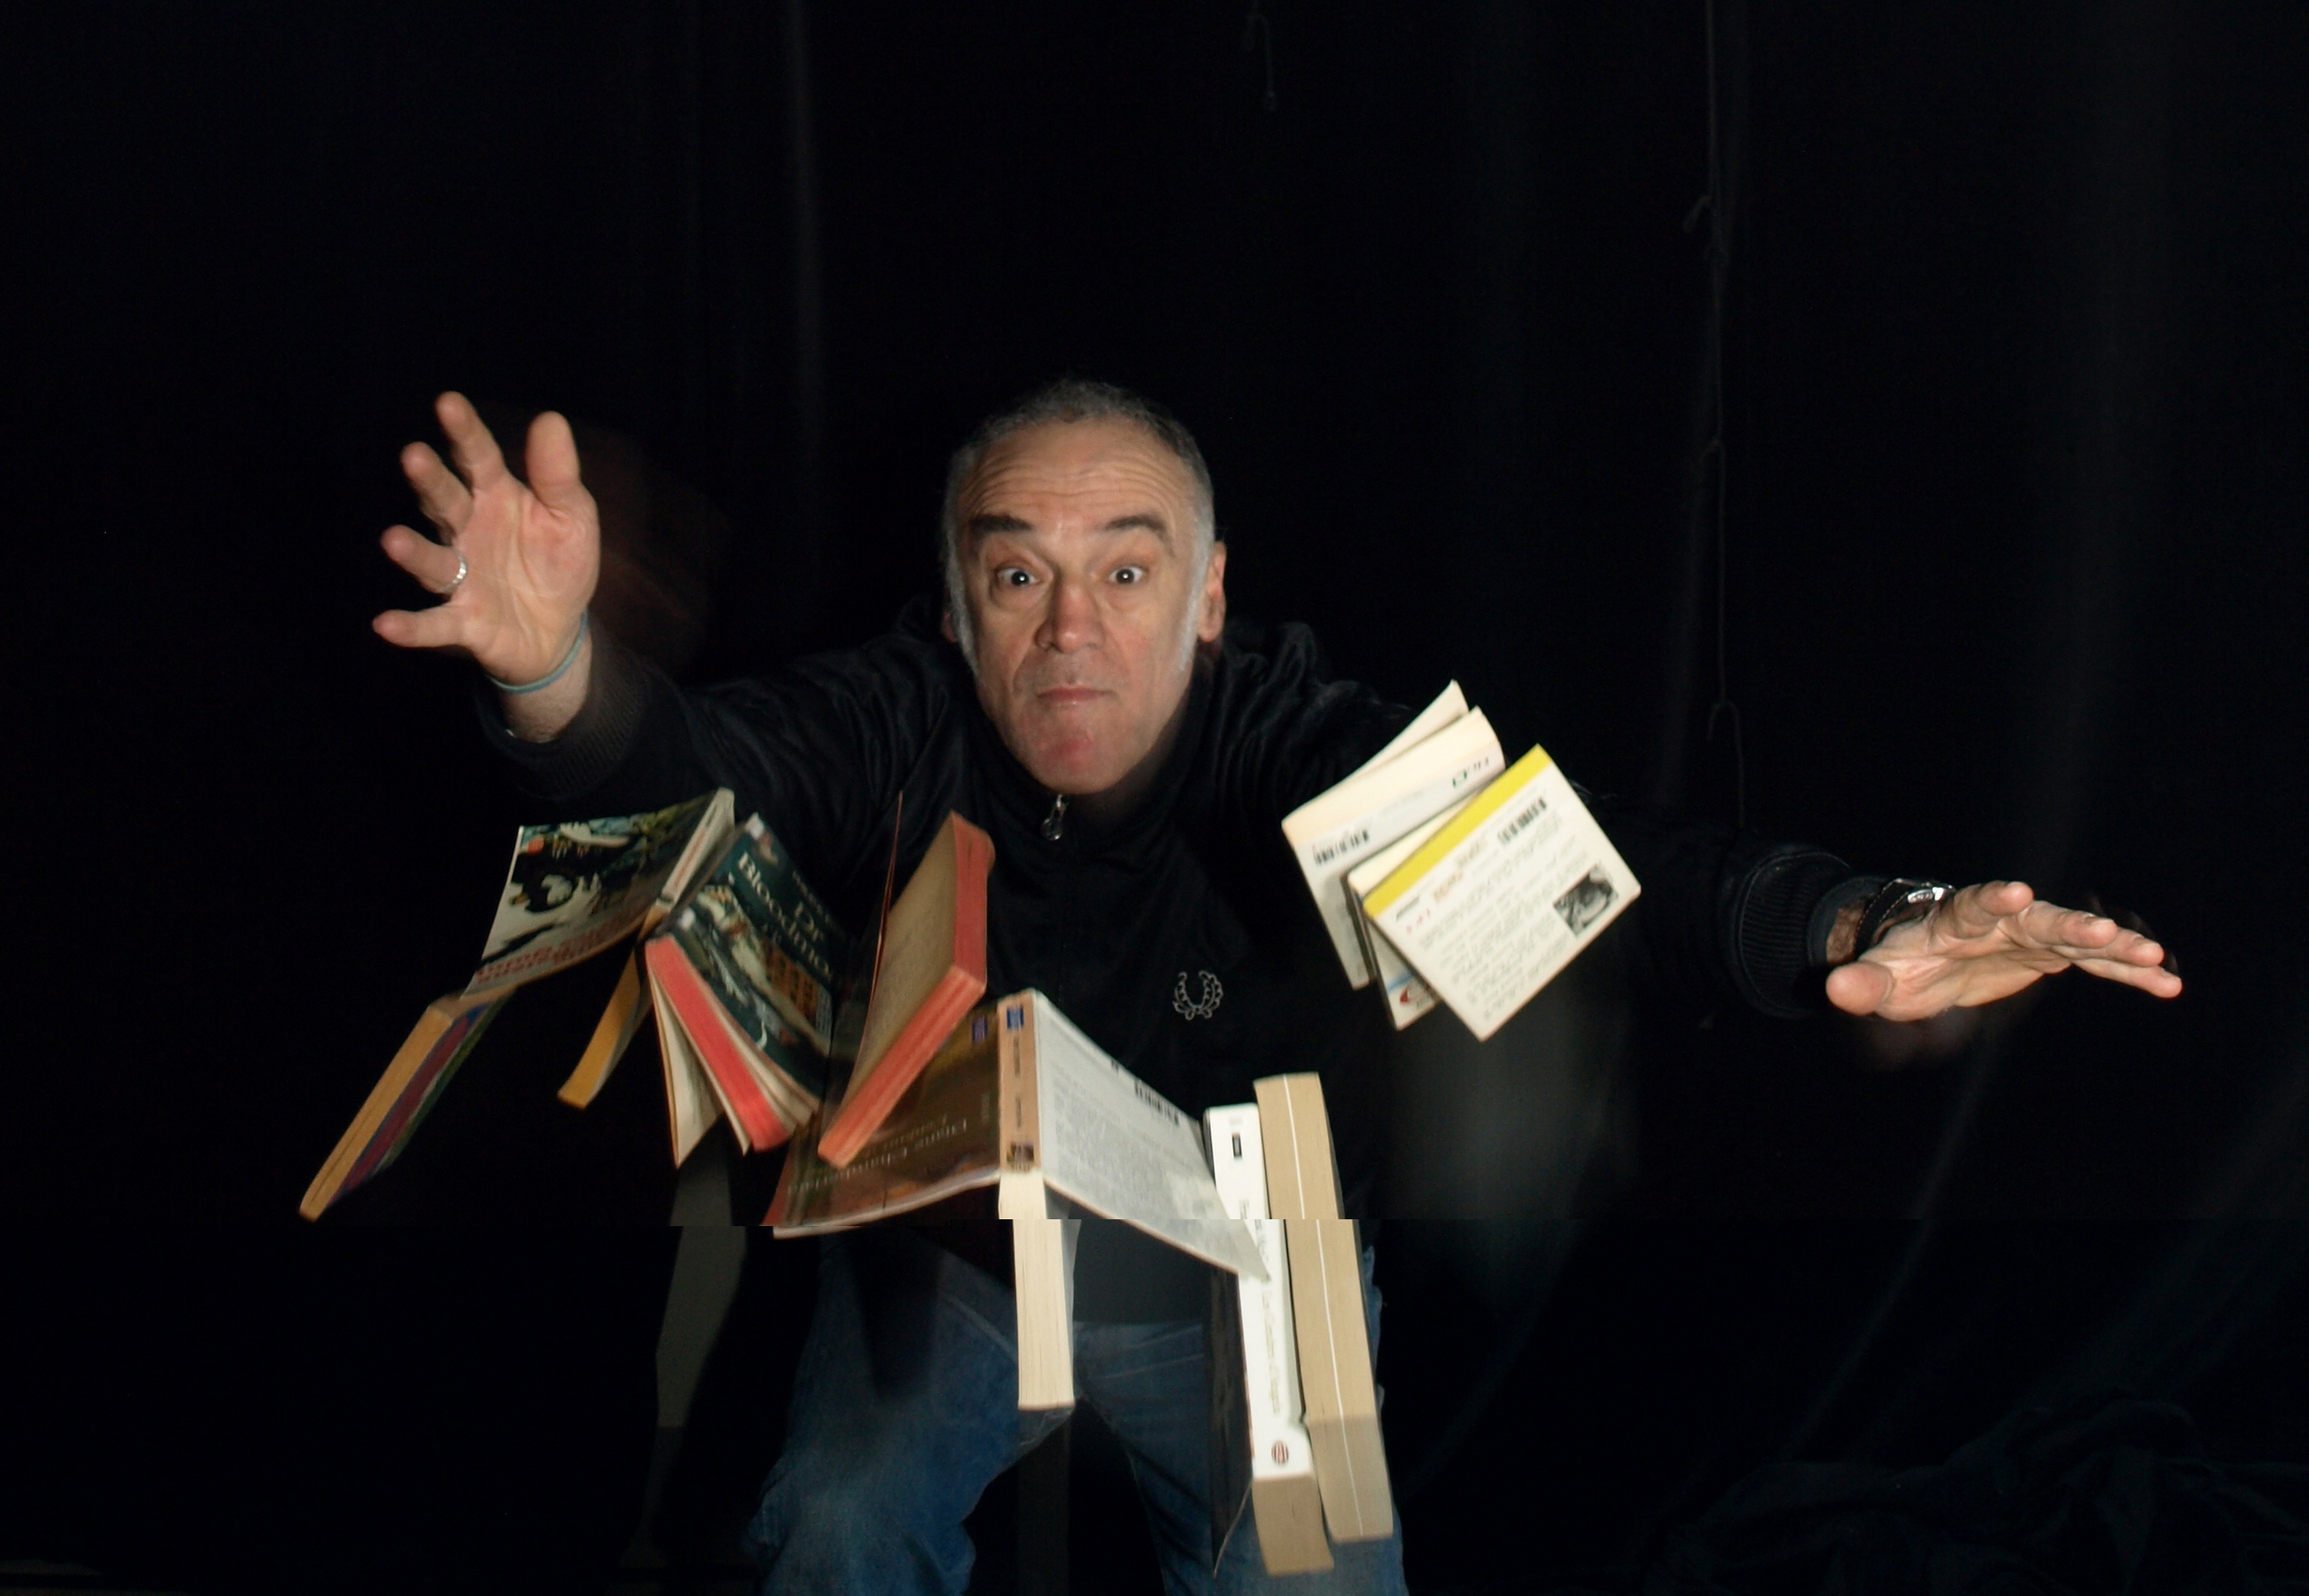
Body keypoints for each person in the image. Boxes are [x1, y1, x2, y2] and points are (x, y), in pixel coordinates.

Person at [373, 379, 2180, 1594]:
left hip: (1257, 1257)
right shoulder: (899, 716)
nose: (1071, 628)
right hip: (957, 1259)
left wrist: (1858, 919)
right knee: (835, 1532)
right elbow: (698, 782)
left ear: (1212, 595)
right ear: (957, 601)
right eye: (1018, 574)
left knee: (1310, 1582)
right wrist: (555, 680)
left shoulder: (1290, 740)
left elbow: (1580, 872)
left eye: (1127, 569)